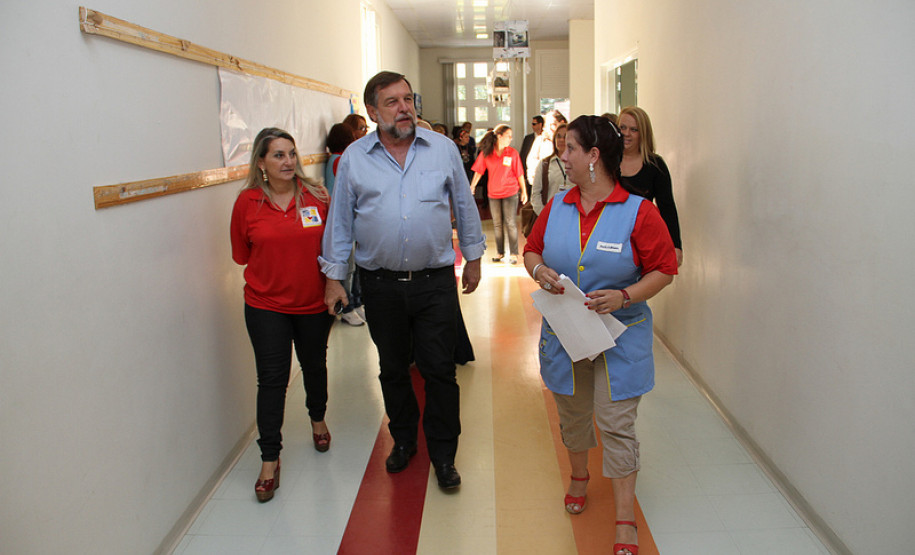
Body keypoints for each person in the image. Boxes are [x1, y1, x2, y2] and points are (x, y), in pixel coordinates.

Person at [320, 71, 485, 489]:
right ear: (373, 111)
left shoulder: (442, 149)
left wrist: (474, 257)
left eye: (408, 99)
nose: (404, 108)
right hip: (381, 285)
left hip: (434, 282)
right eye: (392, 102)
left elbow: (464, 204)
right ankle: (405, 440)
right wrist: (334, 277)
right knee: (393, 368)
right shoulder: (355, 158)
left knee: (439, 371)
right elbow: (340, 222)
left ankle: (444, 455)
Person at [523, 115, 677, 555]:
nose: (563, 156)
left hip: (620, 335)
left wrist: (626, 295)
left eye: (570, 148)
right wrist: (539, 270)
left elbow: (665, 269)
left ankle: (625, 516)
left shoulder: (639, 211)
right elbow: (531, 249)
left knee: (615, 423)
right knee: (573, 415)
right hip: (568, 332)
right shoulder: (557, 206)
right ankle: (579, 476)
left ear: (593, 156)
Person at [230, 127, 335, 503]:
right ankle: (269, 460)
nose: (288, 161)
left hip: (313, 303)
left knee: (314, 365)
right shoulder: (247, 203)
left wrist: (333, 285)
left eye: (292, 153)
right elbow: (241, 254)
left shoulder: (317, 197)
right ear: (261, 162)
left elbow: (333, 247)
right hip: (265, 305)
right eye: (278, 155)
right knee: (272, 380)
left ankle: (317, 418)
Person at [618, 106, 683, 266]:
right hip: (609, 237)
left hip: (642, 240)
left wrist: (676, 246)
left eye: (634, 129)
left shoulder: (655, 165)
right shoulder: (605, 162)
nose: (626, 133)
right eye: (623, 127)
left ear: (643, 133)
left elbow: (667, 207)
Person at [324, 122, 365, 326]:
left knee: (354, 267)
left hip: (351, 223)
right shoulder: (340, 160)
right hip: (346, 223)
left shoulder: (336, 158)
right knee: (349, 269)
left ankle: (356, 303)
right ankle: (347, 308)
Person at [469, 124, 527, 264]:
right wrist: (472, 186)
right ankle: (500, 252)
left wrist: (524, 191)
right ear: (499, 136)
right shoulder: (487, 153)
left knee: (510, 223)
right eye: (508, 136)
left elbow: (519, 173)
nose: (510, 139)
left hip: (510, 192)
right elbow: (479, 171)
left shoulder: (512, 153)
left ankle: (514, 254)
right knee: (497, 224)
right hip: (493, 193)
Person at [530, 122, 568, 215]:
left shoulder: (579, 164)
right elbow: (535, 194)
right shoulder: (545, 164)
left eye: (565, 137)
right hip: (550, 214)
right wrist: (544, 214)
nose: (561, 140)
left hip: (573, 215)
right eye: (558, 136)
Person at [519, 115, 551, 197]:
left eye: (534, 124)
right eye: (532, 124)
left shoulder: (549, 140)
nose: (532, 126)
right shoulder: (528, 138)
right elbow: (523, 155)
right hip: (531, 175)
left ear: (540, 125)